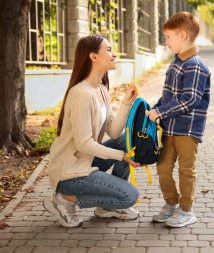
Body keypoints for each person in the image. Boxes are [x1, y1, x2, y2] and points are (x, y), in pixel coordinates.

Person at [43, 35, 141, 228]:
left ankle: (106, 208)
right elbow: (83, 143)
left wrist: (126, 103)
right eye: (109, 50)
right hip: (69, 173)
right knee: (129, 196)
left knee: (125, 141)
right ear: (93, 57)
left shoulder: (101, 88)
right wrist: (121, 156)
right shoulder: (81, 93)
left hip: (85, 162)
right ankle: (64, 198)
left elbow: (113, 132)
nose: (114, 54)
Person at [146, 12, 211, 227]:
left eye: (168, 37)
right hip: (169, 129)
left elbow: (189, 100)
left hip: (187, 130)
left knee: (185, 170)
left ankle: (186, 210)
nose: (166, 43)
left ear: (182, 35)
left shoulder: (195, 65)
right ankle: (171, 204)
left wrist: (161, 112)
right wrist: (154, 109)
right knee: (163, 168)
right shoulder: (176, 63)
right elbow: (168, 97)